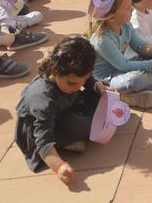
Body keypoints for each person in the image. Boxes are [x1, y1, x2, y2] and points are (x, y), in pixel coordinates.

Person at [14, 36, 116, 184]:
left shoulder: (70, 78)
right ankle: (66, 142)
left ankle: (74, 136)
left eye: (82, 81)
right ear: (55, 70)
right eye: (72, 83)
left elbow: (85, 80)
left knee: (100, 94)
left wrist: (97, 85)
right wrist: (59, 167)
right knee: (86, 125)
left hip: (65, 109)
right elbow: (42, 139)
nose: (78, 85)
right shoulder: (42, 97)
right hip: (43, 130)